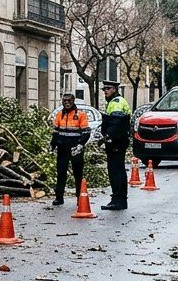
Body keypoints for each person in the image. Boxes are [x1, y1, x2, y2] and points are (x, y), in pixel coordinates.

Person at [50, 92, 90, 206]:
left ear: (73, 101)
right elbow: (55, 132)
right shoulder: (59, 115)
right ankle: (59, 198)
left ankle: (79, 198)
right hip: (62, 148)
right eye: (65, 101)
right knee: (61, 173)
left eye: (69, 101)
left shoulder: (80, 115)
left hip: (75, 149)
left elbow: (86, 132)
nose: (67, 103)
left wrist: (81, 145)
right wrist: (52, 145)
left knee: (78, 174)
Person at [98, 80, 132, 210]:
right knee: (118, 170)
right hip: (118, 141)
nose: (105, 91)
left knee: (115, 171)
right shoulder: (113, 102)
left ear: (115, 89)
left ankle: (118, 200)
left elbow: (116, 122)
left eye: (108, 88)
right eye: (104, 89)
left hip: (117, 141)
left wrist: (107, 136)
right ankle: (119, 199)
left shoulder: (116, 102)